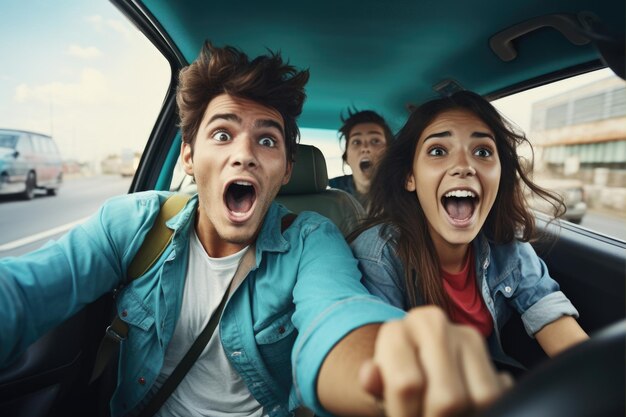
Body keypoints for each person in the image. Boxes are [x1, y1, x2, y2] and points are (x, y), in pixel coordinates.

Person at [0, 44, 508, 417]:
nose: (244, 152)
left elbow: (337, 314)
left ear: (285, 169)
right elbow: (25, 292)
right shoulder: (133, 223)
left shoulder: (312, 239)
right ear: (190, 156)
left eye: (267, 141)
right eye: (222, 134)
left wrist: (382, 369)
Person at [350, 91, 589, 369]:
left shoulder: (509, 249)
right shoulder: (378, 256)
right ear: (410, 177)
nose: (464, 166)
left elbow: (564, 336)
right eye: (438, 151)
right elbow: (389, 373)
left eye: (483, 152)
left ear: (500, 172)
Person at [329, 109, 393, 208]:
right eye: (356, 142)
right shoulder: (329, 193)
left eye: (375, 141)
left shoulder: (406, 194)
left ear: (389, 153)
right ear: (346, 158)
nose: (365, 148)